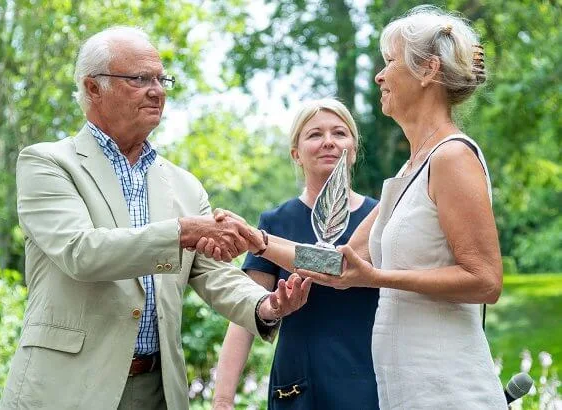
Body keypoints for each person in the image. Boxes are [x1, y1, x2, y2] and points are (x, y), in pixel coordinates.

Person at [205, 5, 507, 409]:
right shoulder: (411, 168)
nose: (379, 75)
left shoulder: (452, 156)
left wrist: (378, 278)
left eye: (390, 62)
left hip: (447, 388)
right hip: (402, 391)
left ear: (427, 71)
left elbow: (486, 281)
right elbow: (337, 264)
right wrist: (256, 241)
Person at [0, 26, 311, 410]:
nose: (157, 90)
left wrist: (265, 305)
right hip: (66, 389)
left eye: (161, 79)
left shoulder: (184, 184)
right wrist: (182, 231)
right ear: (93, 88)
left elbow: (212, 272)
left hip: (158, 390)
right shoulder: (47, 162)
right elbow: (80, 252)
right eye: (140, 79)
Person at [211, 99, 380, 410]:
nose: (328, 141)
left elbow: (337, 269)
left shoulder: (380, 217)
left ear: (354, 150)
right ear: (296, 154)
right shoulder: (276, 221)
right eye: (315, 134)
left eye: (339, 133)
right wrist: (222, 399)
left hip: (371, 380)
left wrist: (261, 242)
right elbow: (244, 314)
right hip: (300, 385)